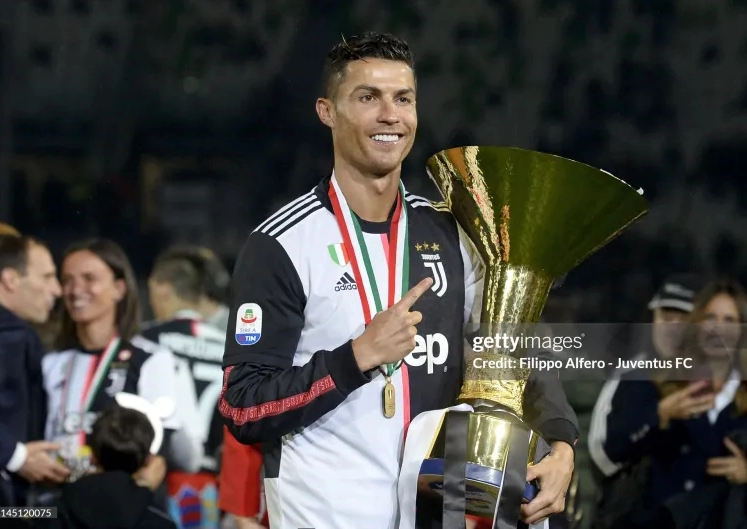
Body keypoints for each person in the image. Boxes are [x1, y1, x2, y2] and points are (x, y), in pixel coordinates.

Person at [218, 32, 577, 529]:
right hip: (324, 514)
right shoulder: (282, 245)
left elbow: (511, 337)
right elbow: (242, 406)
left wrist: (561, 442)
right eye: (368, 97)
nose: (390, 115)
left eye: (403, 99)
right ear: (327, 111)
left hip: (436, 512)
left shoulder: (453, 234)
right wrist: (355, 358)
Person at [603, 278, 747, 529]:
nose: (718, 328)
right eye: (710, 317)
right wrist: (660, 414)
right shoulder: (652, 379)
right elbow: (615, 446)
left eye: (729, 320)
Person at [41, 238, 191, 496]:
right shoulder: (51, 363)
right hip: (58, 501)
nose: (75, 290)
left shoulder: (150, 359)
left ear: (119, 289)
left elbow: (157, 452)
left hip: (117, 501)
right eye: (67, 280)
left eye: (89, 278)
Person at [142, 247, 228, 529]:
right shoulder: (229, 346)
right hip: (213, 488)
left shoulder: (143, 341)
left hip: (156, 481)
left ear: (162, 288)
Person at [589, 274, 704, 477]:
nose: (673, 328)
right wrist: (658, 415)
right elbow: (602, 455)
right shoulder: (630, 375)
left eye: (683, 319)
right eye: (666, 317)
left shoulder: (717, 378)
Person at [0, 234, 69, 507]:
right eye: (47, 277)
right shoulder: (7, 332)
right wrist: (16, 457)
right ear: (10, 279)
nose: (57, 290)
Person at [42, 403, 175, 529]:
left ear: (93, 455)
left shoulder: (49, 512)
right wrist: (145, 488)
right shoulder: (162, 524)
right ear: (148, 460)